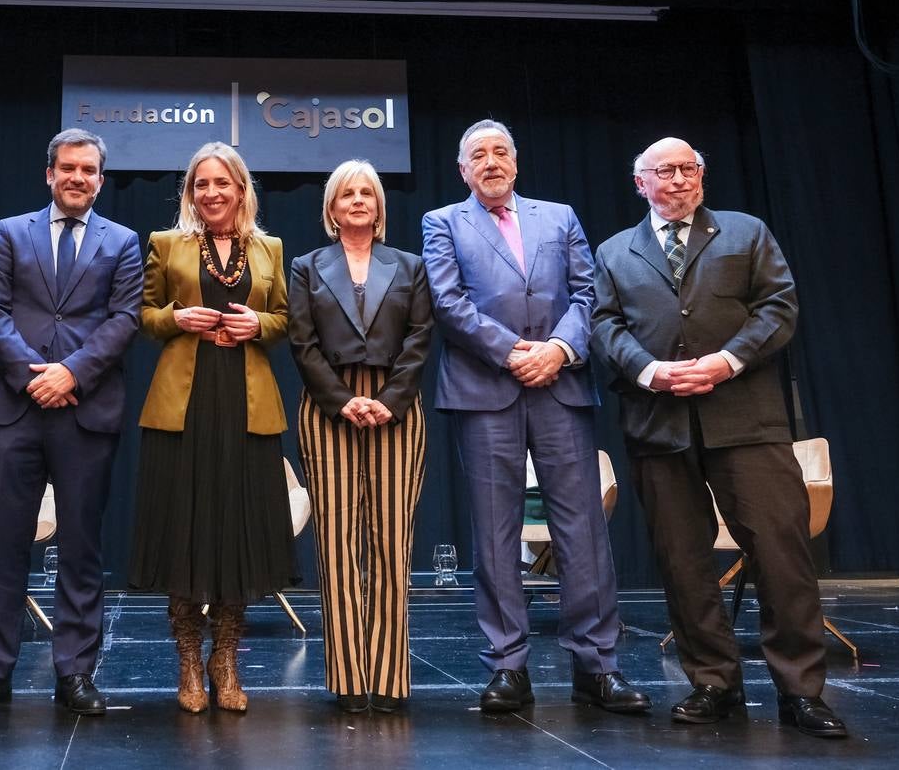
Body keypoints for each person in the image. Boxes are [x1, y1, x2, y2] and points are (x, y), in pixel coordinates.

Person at [590, 136, 847, 738]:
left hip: (746, 420)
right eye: (666, 171)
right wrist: (649, 371)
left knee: (781, 557)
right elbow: (604, 323)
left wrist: (727, 360)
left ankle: (802, 692)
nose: (680, 179)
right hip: (658, 423)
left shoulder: (746, 232)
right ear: (641, 184)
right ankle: (713, 683)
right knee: (683, 562)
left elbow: (779, 307)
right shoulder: (613, 252)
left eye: (690, 168)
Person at [421, 119, 649, 715]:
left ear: (516, 164)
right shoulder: (442, 222)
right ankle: (507, 669)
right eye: (479, 155)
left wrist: (560, 350)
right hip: (484, 388)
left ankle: (597, 667)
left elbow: (587, 293)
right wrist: (512, 352)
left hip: (561, 383)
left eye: (501, 152)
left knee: (584, 531)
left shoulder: (561, 216)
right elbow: (447, 302)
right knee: (496, 535)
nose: (491, 162)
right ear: (462, 170)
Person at [0, 129, 142, 719]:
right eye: (67, 168)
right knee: (5, 545)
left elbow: (124, 318)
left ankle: (75, 672)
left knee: (81, 548)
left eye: (88, 170)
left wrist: (71, 375)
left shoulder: (124, 241)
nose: (77, 178)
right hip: (16, 407)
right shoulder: (12, 232)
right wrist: (33, 376)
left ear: (100, 180)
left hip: (86, 411)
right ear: (49, 174)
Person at [128, 141, 296, 714]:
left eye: (223, 183)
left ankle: (224, 662)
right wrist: (175, 317)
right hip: (183, 407)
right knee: (183, 535)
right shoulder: (165, 244)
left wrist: (260, 324)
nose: (212, 193)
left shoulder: (268, 247)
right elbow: (144, 316)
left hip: (247, 409)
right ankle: (186, 665)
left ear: (242, 189)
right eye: (202, 184)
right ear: (190, 192)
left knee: (236, 538)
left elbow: (287, 319)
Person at [287, 159, 432, 713]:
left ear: (379, 206)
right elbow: (302, 344)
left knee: (391, 544)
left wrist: (388, 401)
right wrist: (343, 399)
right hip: (329, 409)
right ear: (330, 208)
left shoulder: (410, 266)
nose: (357, 200)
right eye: (346, 193)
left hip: (396, 407)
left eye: (366, 192)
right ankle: (349, 677)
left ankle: (391, 679)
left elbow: (419, 340)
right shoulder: (306, 266)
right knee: (338, 546)